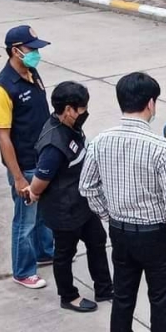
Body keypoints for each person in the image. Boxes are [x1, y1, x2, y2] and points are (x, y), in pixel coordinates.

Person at [79, 72, 166, 332]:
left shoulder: (100, 141)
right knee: (161, 303)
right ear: (150, 103)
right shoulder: (159, 147)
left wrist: (108, 215)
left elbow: (87, 187)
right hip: (157, 235)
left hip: (120, 232)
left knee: (123, 297)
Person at [24, 82, 113, 313]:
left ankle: (104, 288)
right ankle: (68, 296)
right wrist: (33, 193)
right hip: (63, 209)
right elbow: (39, 182)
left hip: (81, 202)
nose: (85, 112)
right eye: (81, 108)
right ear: (67, 110)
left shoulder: (70, 126)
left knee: (97, 239)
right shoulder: (53, 145)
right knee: (65, 253)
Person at [0, 25, 54, 289]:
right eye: (32, 49)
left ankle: (44, 252)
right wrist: (17, 177)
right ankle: (23, 271)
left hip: (42, 159)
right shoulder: (2, 89)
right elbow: (3, 137)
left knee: (42, 213)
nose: (36, 53)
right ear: (16, 51)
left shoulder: (31, 73)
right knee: (25, 221)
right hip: (25, 165)